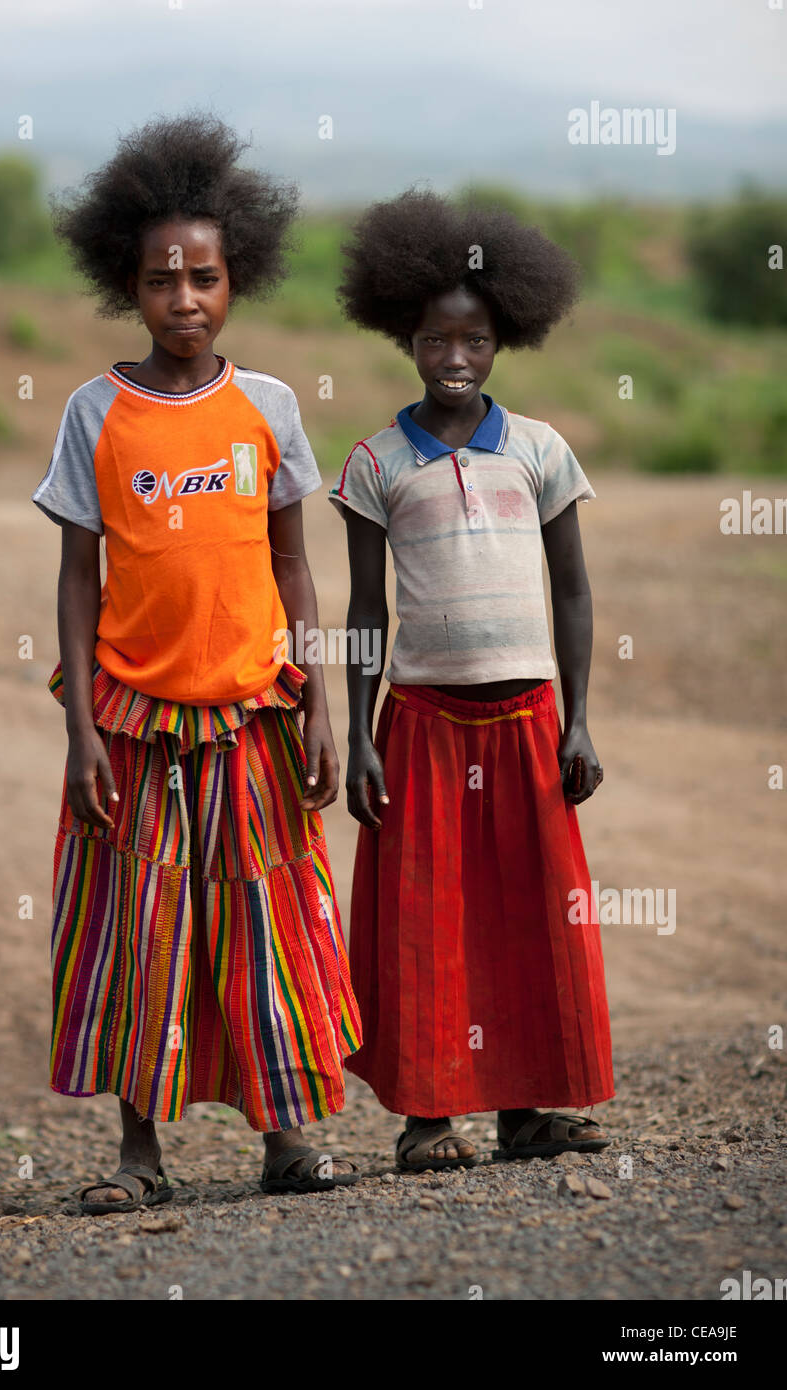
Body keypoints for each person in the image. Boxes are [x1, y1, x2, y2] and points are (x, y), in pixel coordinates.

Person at [31, 114, 362, 1210]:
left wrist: (317, 700)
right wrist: (80, 725)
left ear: (238, 281)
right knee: (141, 925)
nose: (185, 300)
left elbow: (296, 568)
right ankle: (138, 1157)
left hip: (254, 713)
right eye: (161, 280)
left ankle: (285, 1141)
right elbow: (79, 580)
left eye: (205, 278)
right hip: (133, 718)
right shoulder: (94, 413)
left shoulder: (265, 409)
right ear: (126, 285)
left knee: (264, 919)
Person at [328, 190, 614, 1171]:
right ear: (404, 336)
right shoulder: (374, 464)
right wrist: (360, 734)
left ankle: (530, 1109)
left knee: (534, 910)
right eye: (436, 339)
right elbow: (366, 612)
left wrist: (579, 721)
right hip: (421, 720)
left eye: (476, 341)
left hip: (528, 717)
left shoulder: (539, 449)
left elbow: (571, 592)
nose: (455, 358)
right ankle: (428, 1115)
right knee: (424, 922)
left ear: (504, 341)